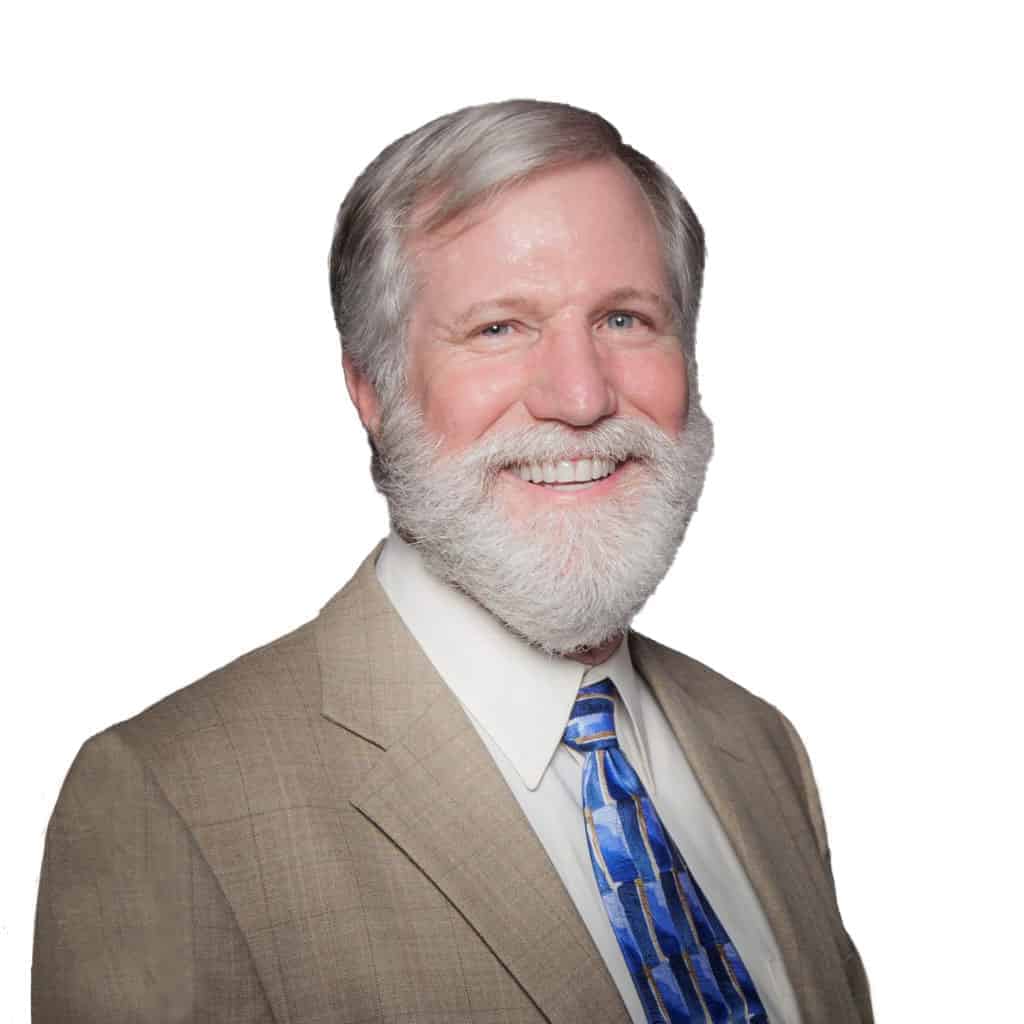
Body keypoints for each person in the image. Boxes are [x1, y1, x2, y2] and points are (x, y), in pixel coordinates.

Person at [32, 100, 872, 1023]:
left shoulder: (759, 747)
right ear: (373, 389)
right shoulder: (168, 800)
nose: (582, 397)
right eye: (500, 329)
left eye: (626, 319)